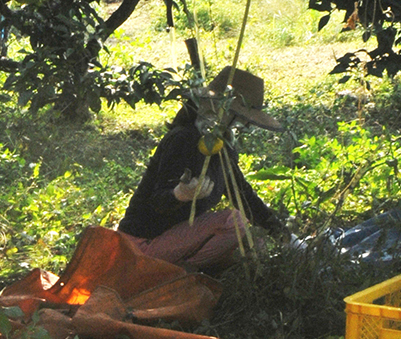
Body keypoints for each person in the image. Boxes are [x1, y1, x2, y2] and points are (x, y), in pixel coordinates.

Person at [117, 67, 284, 272]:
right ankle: (182, 275)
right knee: (232, 220)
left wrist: (283, 235)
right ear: (216, 108)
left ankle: (199, 274)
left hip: (176, 241)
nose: (244, 126)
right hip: (141, 246)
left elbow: (242, 195)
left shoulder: (222, 148)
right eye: (239, 117)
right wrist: (179, 195)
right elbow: (157, 201)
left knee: (255, 244)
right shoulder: (184, 139)